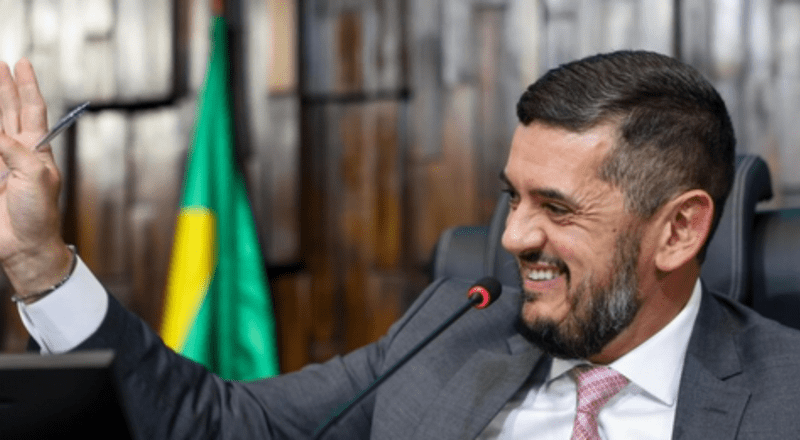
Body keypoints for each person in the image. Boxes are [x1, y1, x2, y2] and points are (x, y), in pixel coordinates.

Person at [1, 50, 799, 439]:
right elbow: (213, 423)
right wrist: (39, 265)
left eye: (557, 208)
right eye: (512, 197)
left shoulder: (783, 398)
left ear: (679, 230)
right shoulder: (453, 333)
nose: (514, 236)